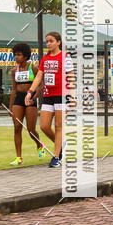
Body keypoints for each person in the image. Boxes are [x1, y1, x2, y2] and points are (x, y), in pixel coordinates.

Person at [25, 31, 75, 168]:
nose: (48, 43)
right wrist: (30, 92)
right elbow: (39, 77)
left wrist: (73, 96)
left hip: (62, 96)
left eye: (51, 41)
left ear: (58, 42)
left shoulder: (65, 57)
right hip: (48, 96)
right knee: (44, 126)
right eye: (47, 41)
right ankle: (61, 145)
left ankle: (56, 157)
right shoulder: (45, 59)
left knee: (59, 126)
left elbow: (71, 77)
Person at [8, 43, 45, 165]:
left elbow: (40, 85)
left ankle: (39, 145)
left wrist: (34, 98)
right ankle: (19, 157)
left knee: (30, 129)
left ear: (25, 56)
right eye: (15, 55)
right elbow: (14, 89)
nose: (16, 57)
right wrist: (10, 106)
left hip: (30, 98)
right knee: (17, 128)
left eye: (19, 55)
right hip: (18, 99)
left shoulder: (33, 67)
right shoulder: (14, 70)